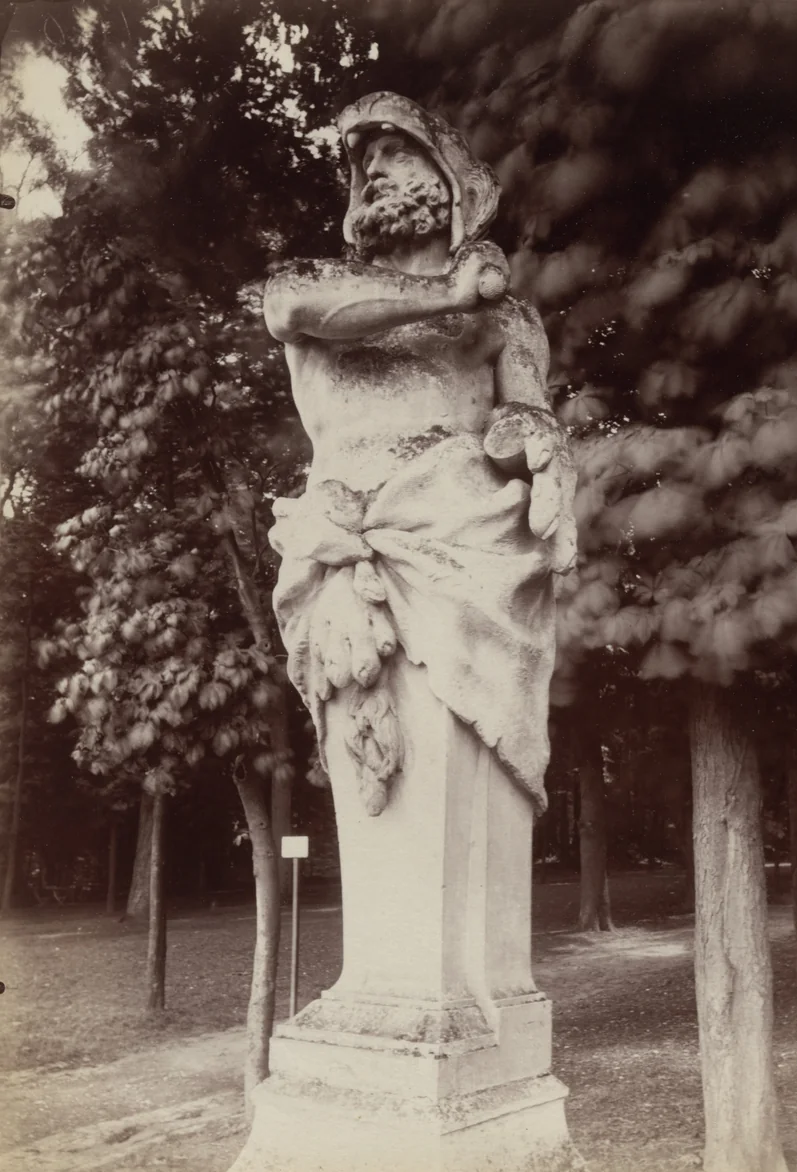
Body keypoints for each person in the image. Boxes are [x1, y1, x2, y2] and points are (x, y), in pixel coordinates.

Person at [264, 91, 575, 819]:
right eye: (362, 160)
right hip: (340, 556)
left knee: (469, 792)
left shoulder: (508, 321)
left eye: (392, 151)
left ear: (447, 177)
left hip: (468, 552)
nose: (371, 169)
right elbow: (291, 312)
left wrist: (535, 439)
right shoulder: (309, 286)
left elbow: (511, 421)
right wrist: (448, 294)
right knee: (380, 795)